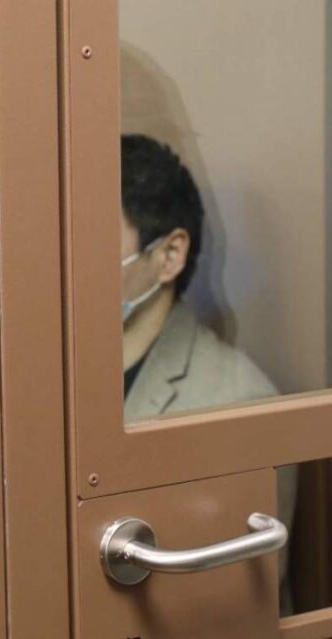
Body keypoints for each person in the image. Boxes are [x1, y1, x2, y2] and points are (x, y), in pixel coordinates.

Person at [119, 133, 296, 608]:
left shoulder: (238, 401)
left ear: (169, 255)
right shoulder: (56, 374)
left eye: (96, 239)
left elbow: (235, 600)